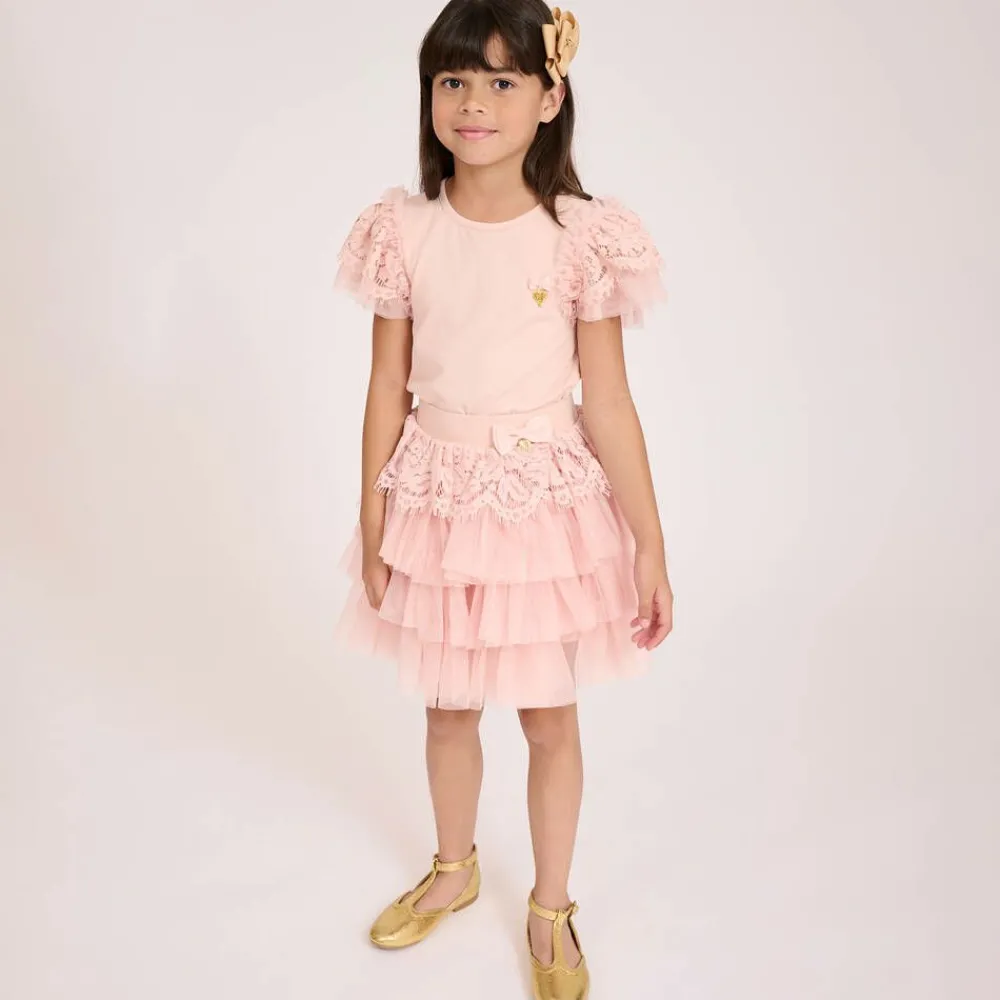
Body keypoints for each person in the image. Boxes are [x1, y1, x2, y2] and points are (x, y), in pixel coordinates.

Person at [333, 2, 673, 996]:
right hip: (437, 500)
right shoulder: (405, 230)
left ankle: (551, 905)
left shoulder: (578, 237)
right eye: (454, 81)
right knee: (447, 709)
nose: (473, 102)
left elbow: (608, 400)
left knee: (547, 718)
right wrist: (371, 513)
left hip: (538, 512)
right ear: (429, 94)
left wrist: (649, 541)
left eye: (501, 80)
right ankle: (455, 866)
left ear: (548, 97)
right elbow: (386, 384)